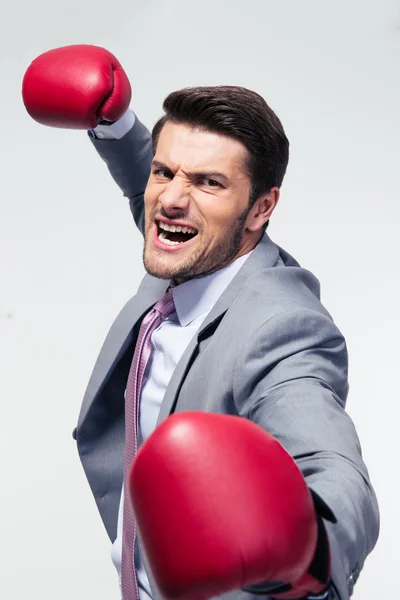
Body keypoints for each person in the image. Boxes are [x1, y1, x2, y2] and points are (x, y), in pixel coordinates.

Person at [22, 45, 379, 600]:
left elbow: (335, 469)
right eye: (163, 172)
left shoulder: (282, 329)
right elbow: (171, 187)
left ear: (260, 209)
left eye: (210, 183)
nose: (170, 200)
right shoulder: (192, 242)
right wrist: (114, 123)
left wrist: (312, 555)